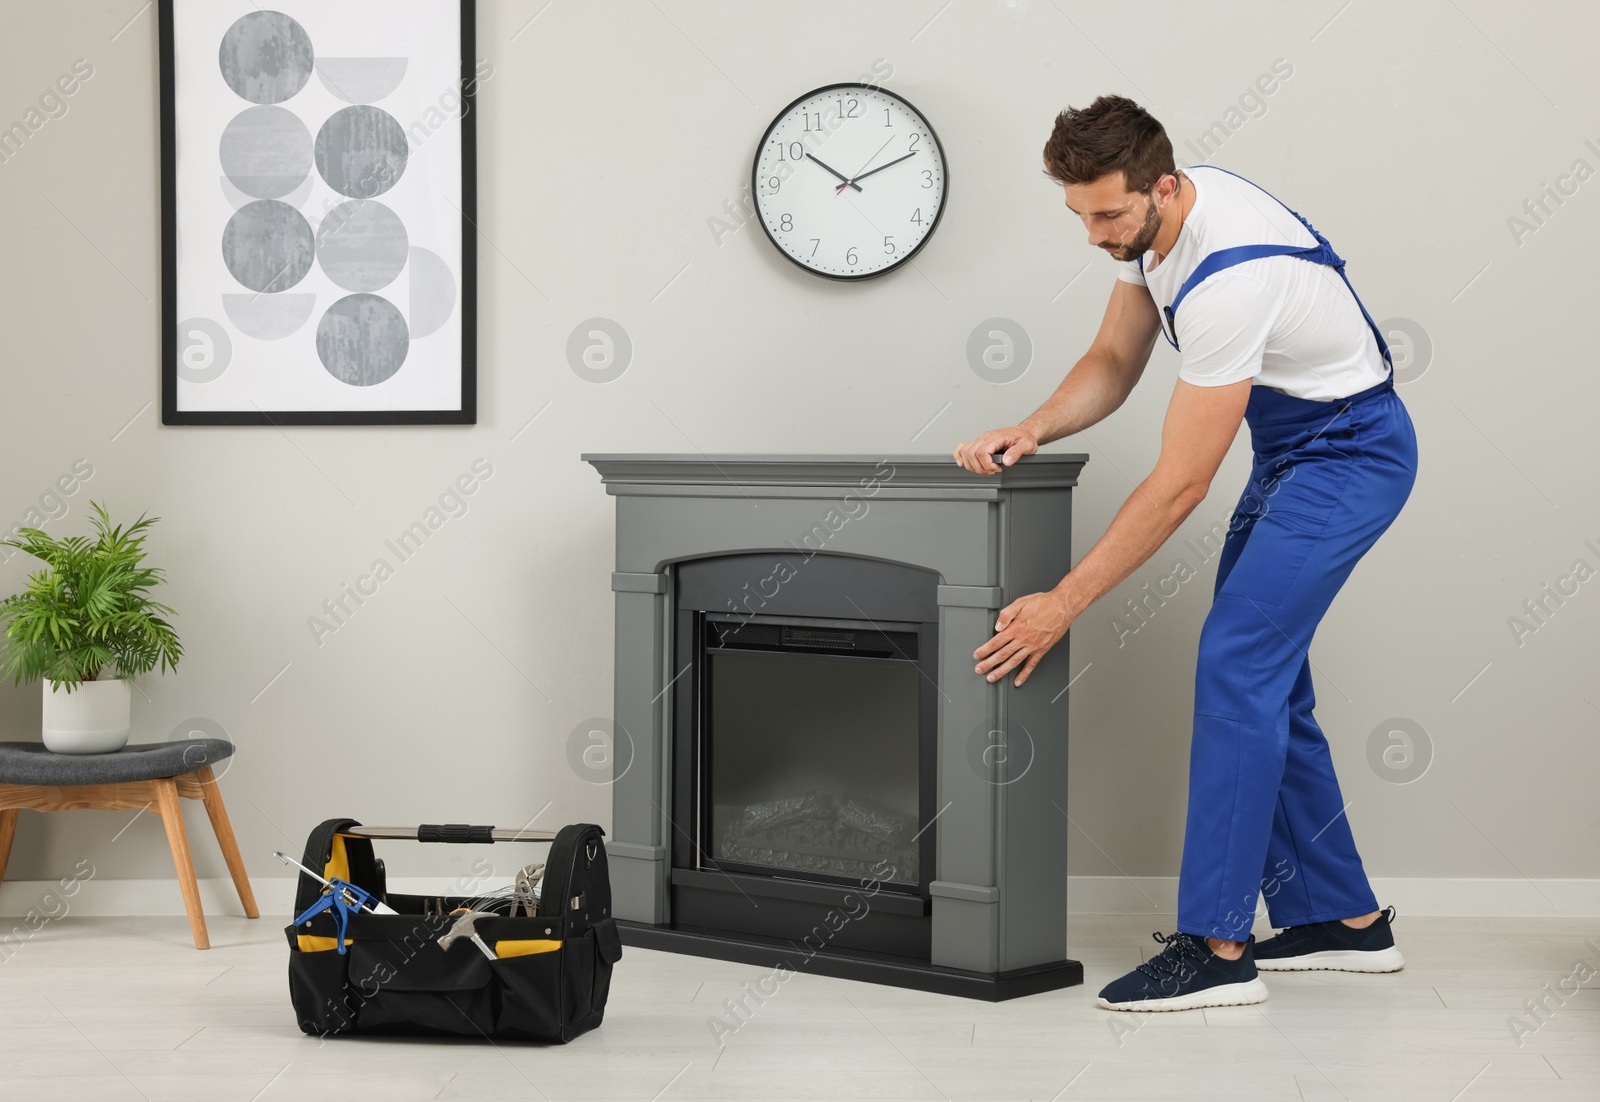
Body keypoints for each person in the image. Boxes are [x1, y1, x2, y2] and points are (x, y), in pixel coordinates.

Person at [951, 95, 1417, 1012]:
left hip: (1352, 455)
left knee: (1238, 661)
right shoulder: (1154, 229)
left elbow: (1179, 484)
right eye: (1078, 215)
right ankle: (1344, 919)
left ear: (1163, 186)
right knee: (1268, 676)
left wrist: (1064, 601)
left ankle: (1218, 946)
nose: (1093, 235)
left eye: (1109, 214)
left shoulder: (1232, 278)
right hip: (1296, 450)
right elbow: (1116, 361)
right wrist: (1035, 426)